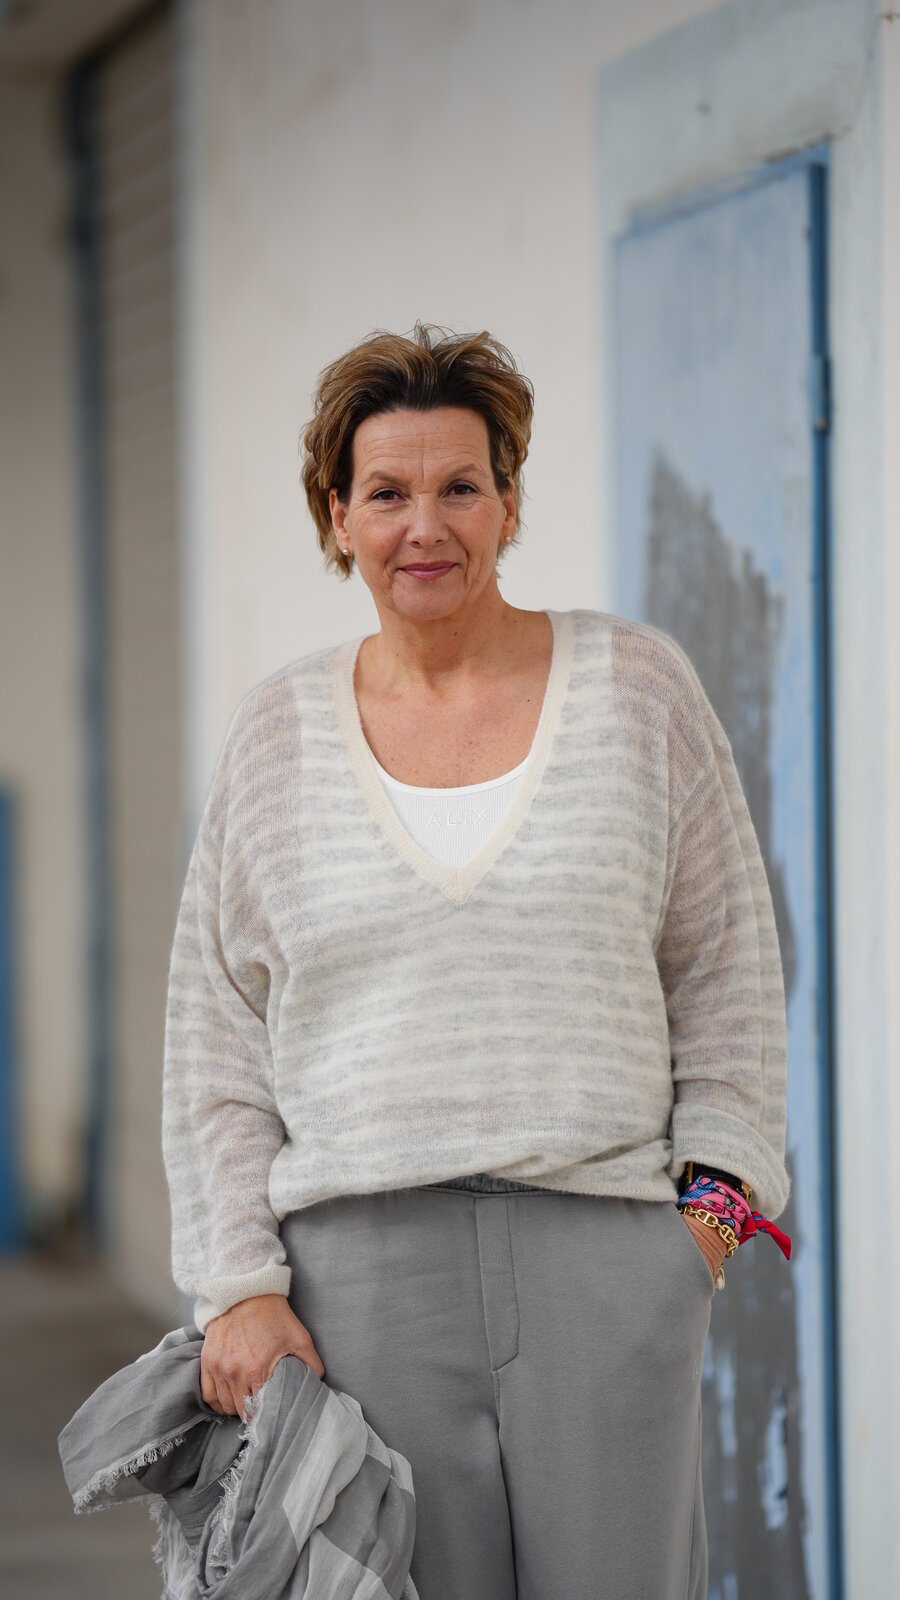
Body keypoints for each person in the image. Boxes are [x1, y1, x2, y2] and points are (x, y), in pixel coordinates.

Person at [161, 321, 792, 1600]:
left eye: (460, 486)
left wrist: (704, 1235)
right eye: (386, 493)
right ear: (337, 516)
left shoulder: (639, 692)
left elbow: (727, 972)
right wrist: (237, 1285)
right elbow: (216, 1036)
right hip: (356, 1289)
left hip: (610, 1266)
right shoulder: (277, 737)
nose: (425, 526)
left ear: (508, 503)